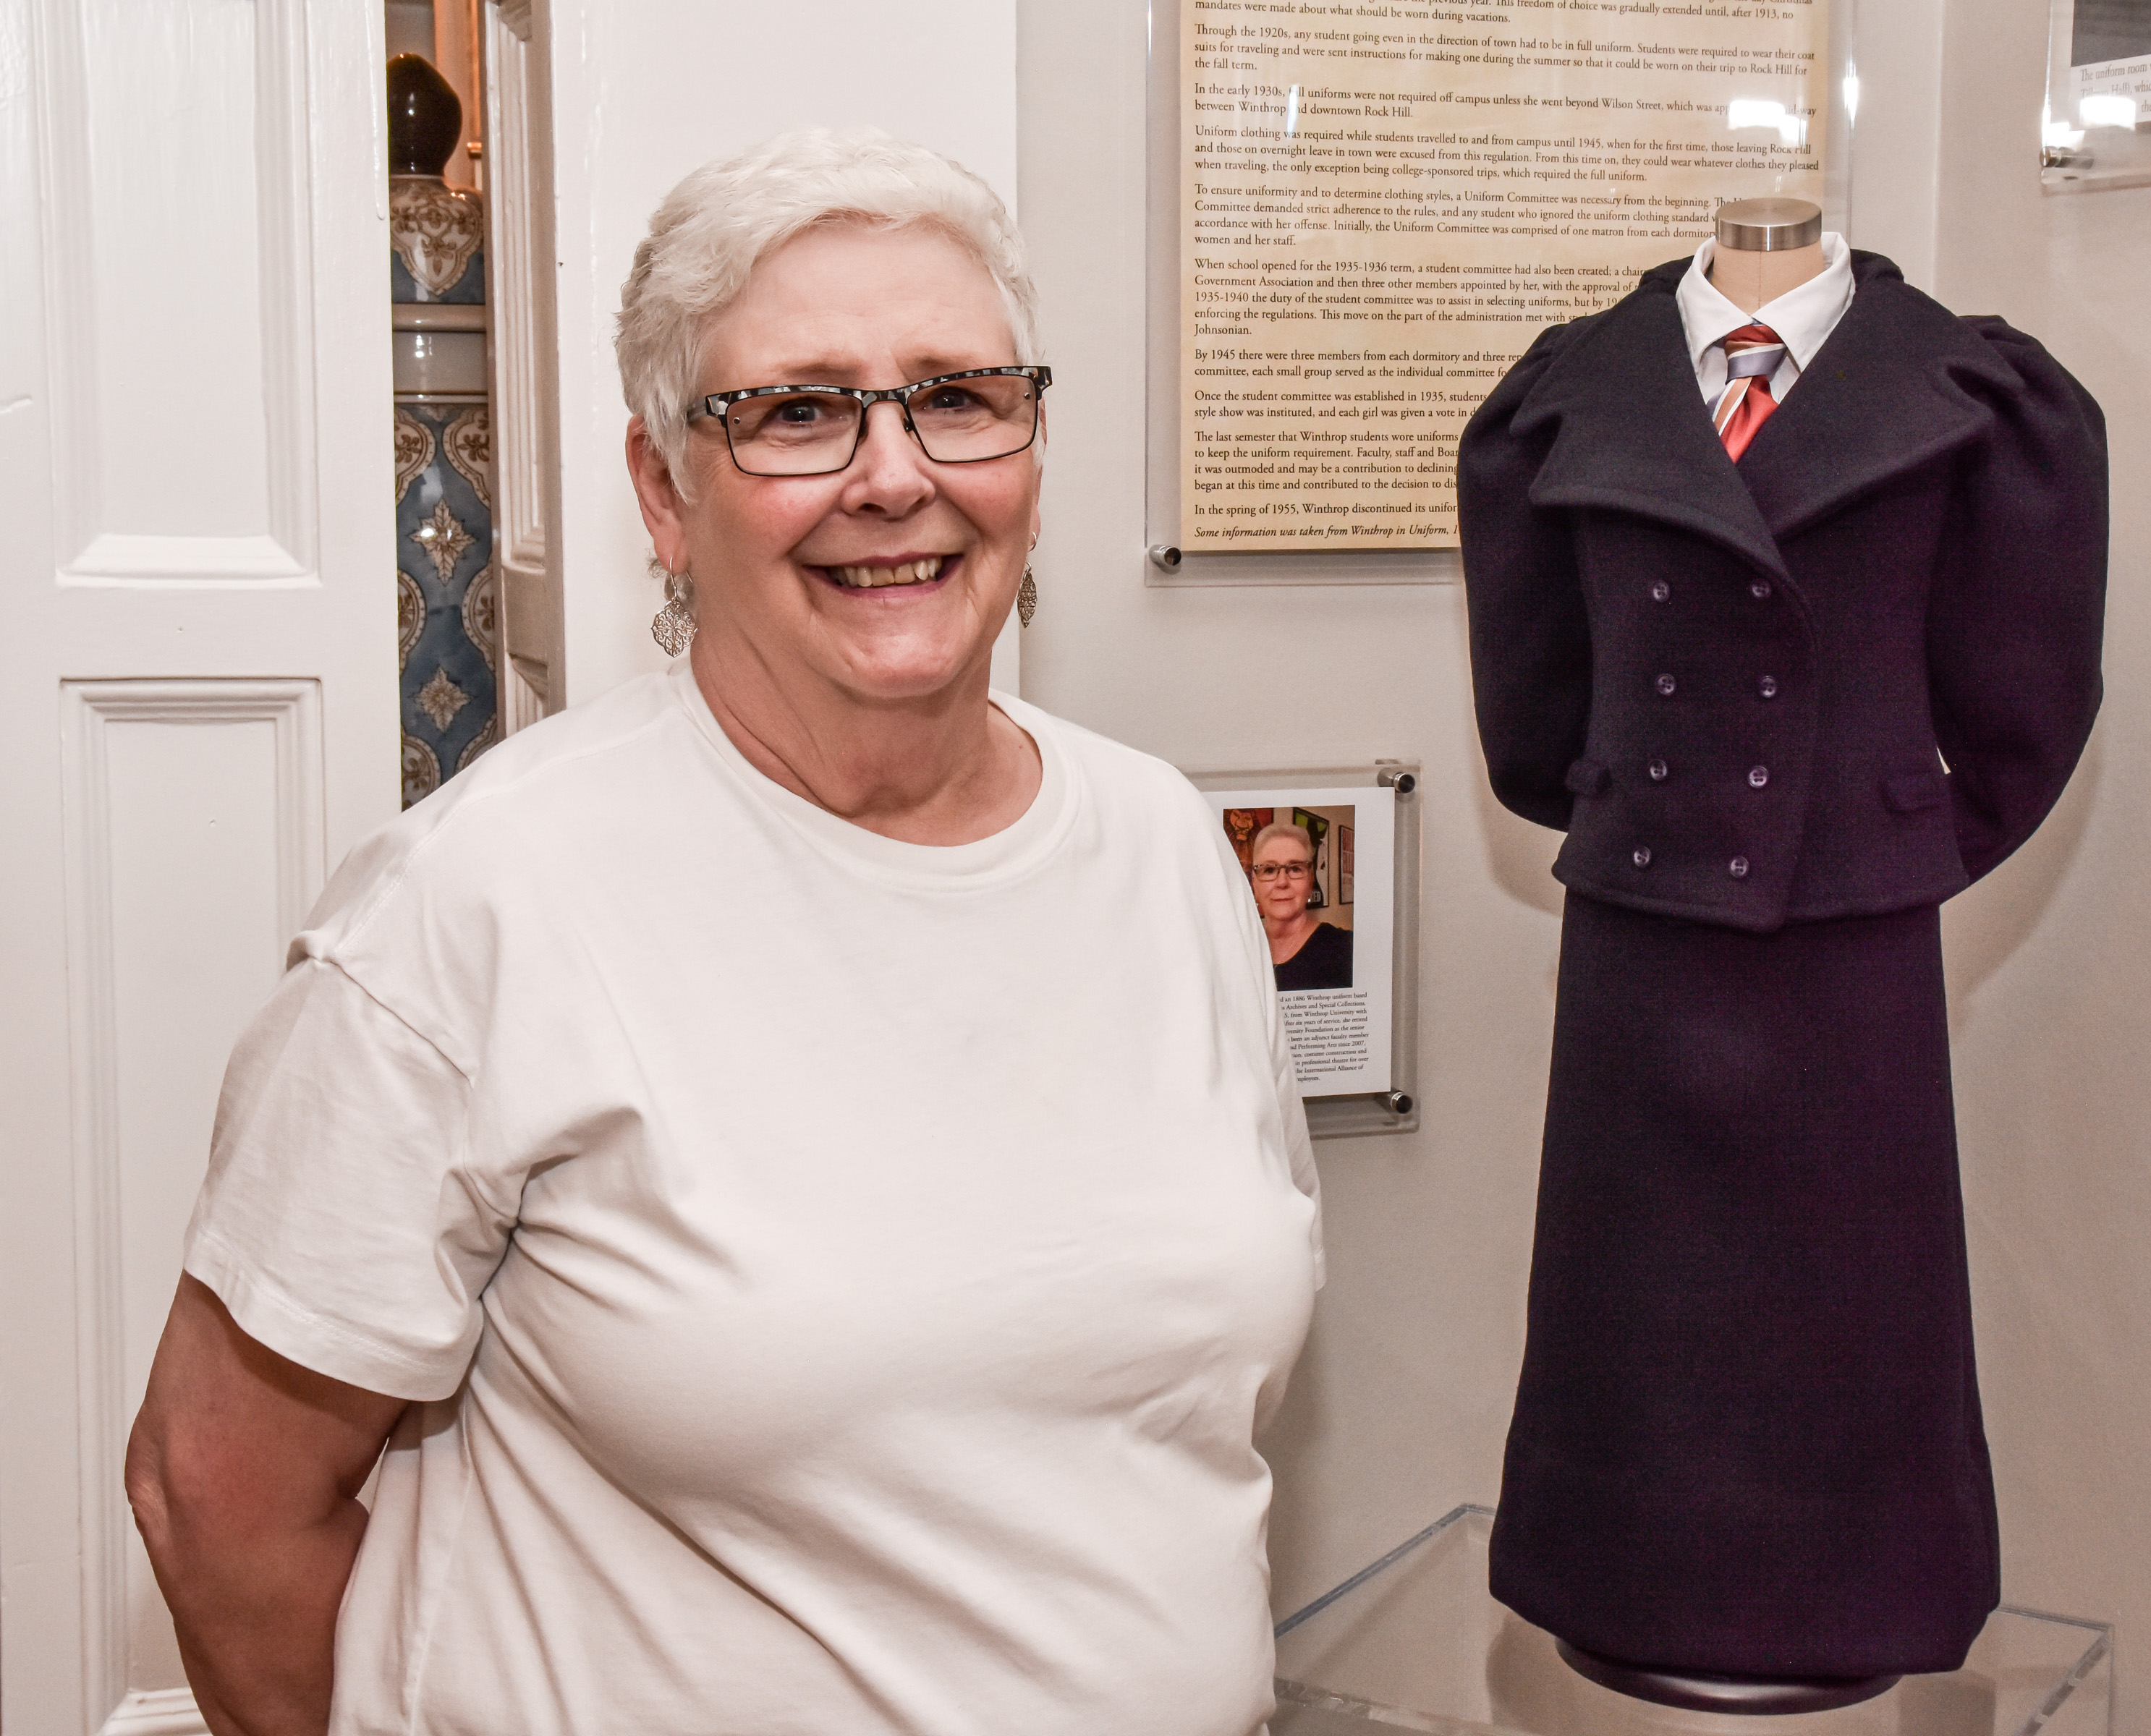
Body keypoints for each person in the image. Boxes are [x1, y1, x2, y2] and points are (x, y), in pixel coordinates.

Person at [122, 127, 1321, 1736]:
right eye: (799, 412)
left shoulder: (1163, 841)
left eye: (958, 395)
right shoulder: (480, 902)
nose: (895, 474)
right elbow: (216, 1498)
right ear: (662, 495)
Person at [1247, 821, 1353, 992]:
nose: (1282, 882)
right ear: (1254, 883)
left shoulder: (1346, 950)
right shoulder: (1238, 950)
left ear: (1311, 880)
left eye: (1295, 869)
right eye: (1269, 870)